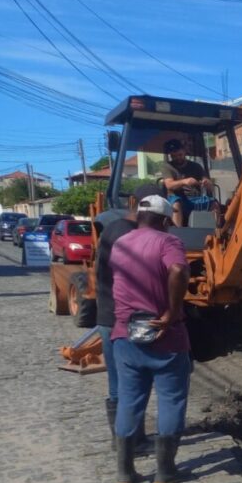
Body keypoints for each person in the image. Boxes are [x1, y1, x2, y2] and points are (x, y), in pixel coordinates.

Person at [110, 194, 192, 483]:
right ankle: (164, 472)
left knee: (129, 401)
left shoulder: (120, 244)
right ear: (165, 220)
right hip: (165, 337)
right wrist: (170, 311)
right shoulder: (168, 242)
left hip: (126, 336)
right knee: (171, 400)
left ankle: (125, 473)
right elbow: (179, 270)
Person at [95, 183, 160, 450]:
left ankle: (131, 439)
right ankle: (126, 442)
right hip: (120, 318)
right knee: (126, 383)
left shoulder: (117, 229)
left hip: (111, 315)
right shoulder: (125, 233)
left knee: (127, 381)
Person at [159, 138, 215, 228]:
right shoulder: (167, 167)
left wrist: (206, 183)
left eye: (180, 155)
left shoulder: (196, 166)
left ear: (184, 152)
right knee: (176, 204)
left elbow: (210, 186)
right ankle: (177, 232)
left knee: (214, 204)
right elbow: (169, 185)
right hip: (177, 199)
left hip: (195, 199)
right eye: (174, 156)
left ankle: (217, 232)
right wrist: (185, 181)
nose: (178, 158)